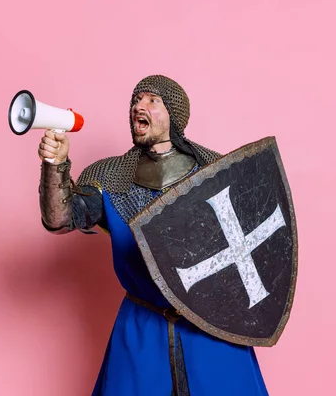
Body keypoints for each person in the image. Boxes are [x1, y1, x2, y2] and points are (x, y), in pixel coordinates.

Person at [37, 75, 269, 395]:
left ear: (174, 114)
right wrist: (55, 164)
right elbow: (59, 218)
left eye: (151, 100)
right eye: (136, 100)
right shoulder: (110, 178)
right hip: (142, 325)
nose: (138, 107)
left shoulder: (214, 173)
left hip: (210, 325)